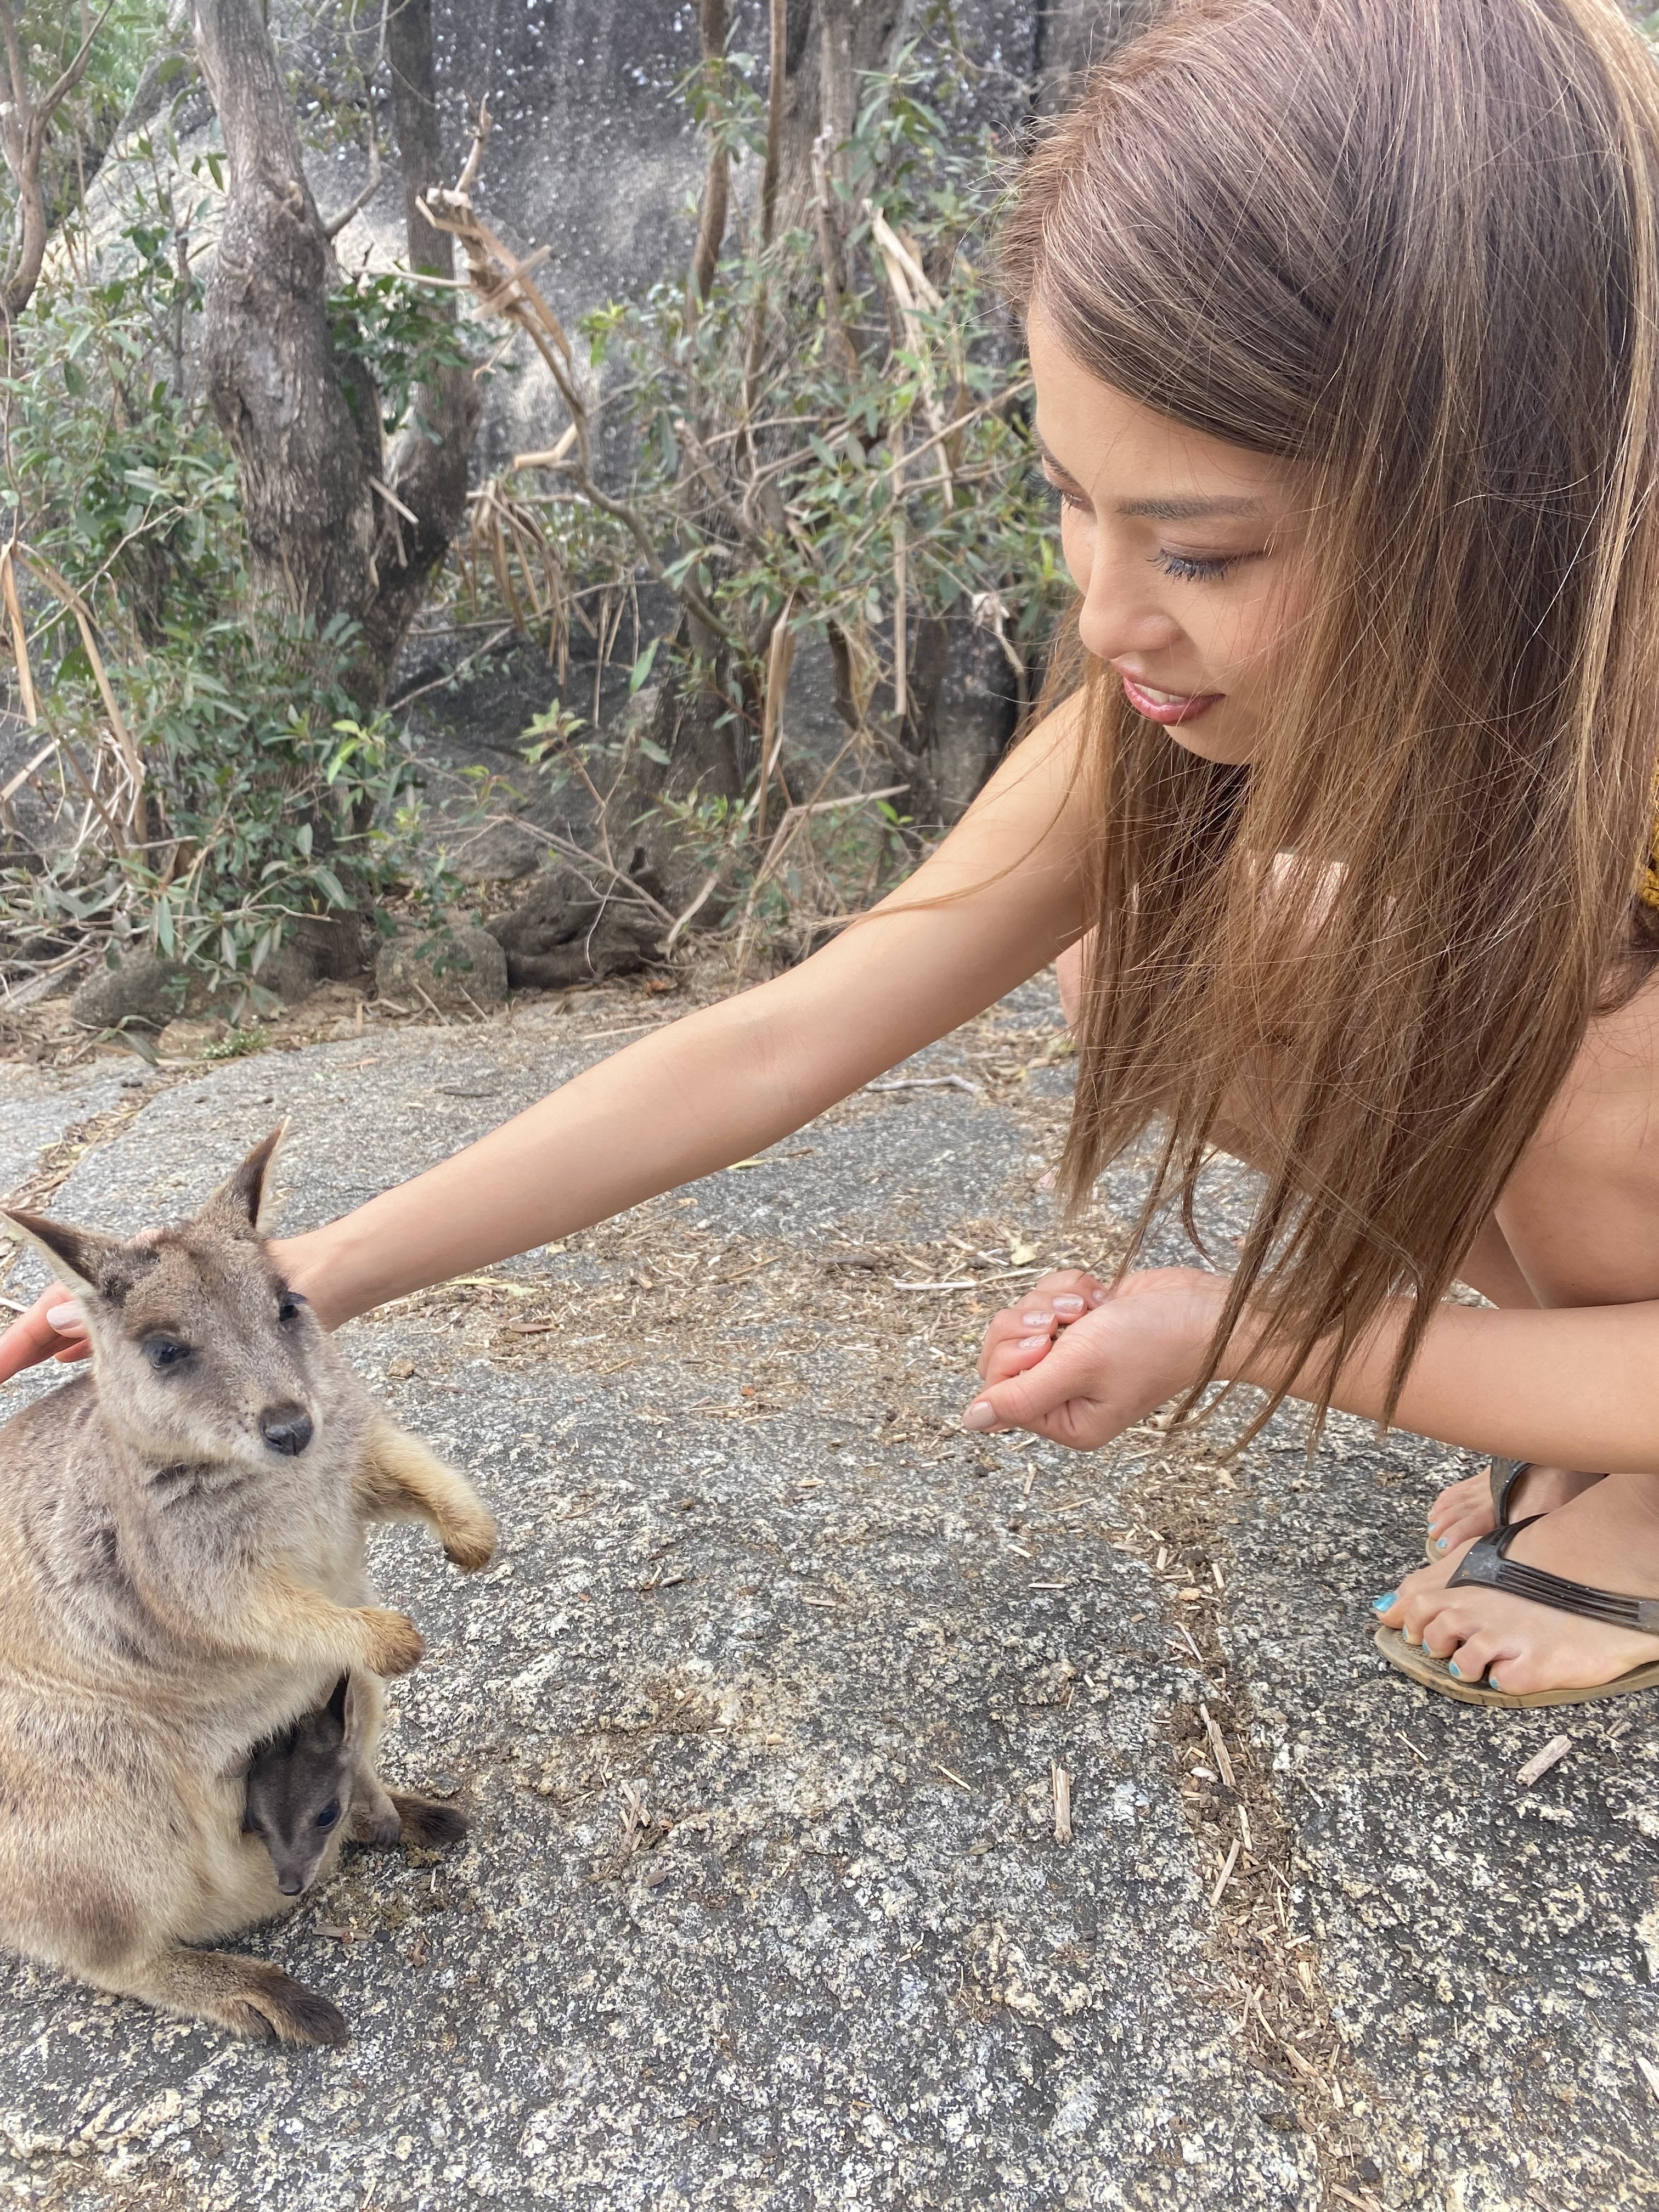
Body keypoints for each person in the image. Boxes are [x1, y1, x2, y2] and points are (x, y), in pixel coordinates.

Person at [7, 0, 1659, 1708]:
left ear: (1509, 494)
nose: (1105, 617)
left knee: (1600, 1031)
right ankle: (1575, 1391)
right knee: (1142, 955)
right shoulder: (1168, 706)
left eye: (1209, 554)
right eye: (1072, 497)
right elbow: (783, 1038)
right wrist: (288, 1285)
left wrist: (1236, 1329)